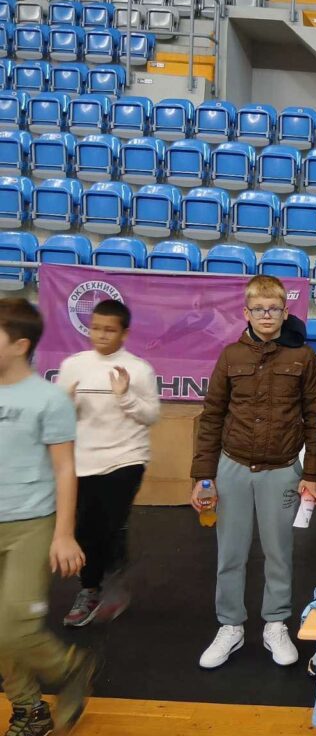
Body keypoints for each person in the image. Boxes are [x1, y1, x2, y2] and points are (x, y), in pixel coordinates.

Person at [190, 275, 316, 670]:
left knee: (279, 553)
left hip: (282, 471)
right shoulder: (231, 356)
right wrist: (204, 476)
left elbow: (315, 418)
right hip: (232, 467)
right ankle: (230, 625)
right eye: (259, 309)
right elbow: (212, 417)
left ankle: (275, 624)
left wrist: (312, 474)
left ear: (285, 312)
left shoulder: (303, 359)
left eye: (274, 309)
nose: (267, 315)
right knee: (230, 553)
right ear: (246, 313)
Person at [0, 298, 95, 736]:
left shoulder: (48, 399)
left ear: (20, 345)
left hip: (31, 525)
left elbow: (64, 469)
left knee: (15, 626)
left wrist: (63, 535)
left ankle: (70, 668)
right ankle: (29, 710)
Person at [57, 299, 160, 627]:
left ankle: (101, 586)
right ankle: (96, 582)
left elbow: (151, 415)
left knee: (104, 525)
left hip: (125, 459)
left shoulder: (138, 369)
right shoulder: (73, 365)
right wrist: (66, 405)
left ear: (124, 333)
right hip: (82, 461)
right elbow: (58, 418)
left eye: (109, 330)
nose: (100, 335)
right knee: (86, 528)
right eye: (95, 328)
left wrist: (124, 395)